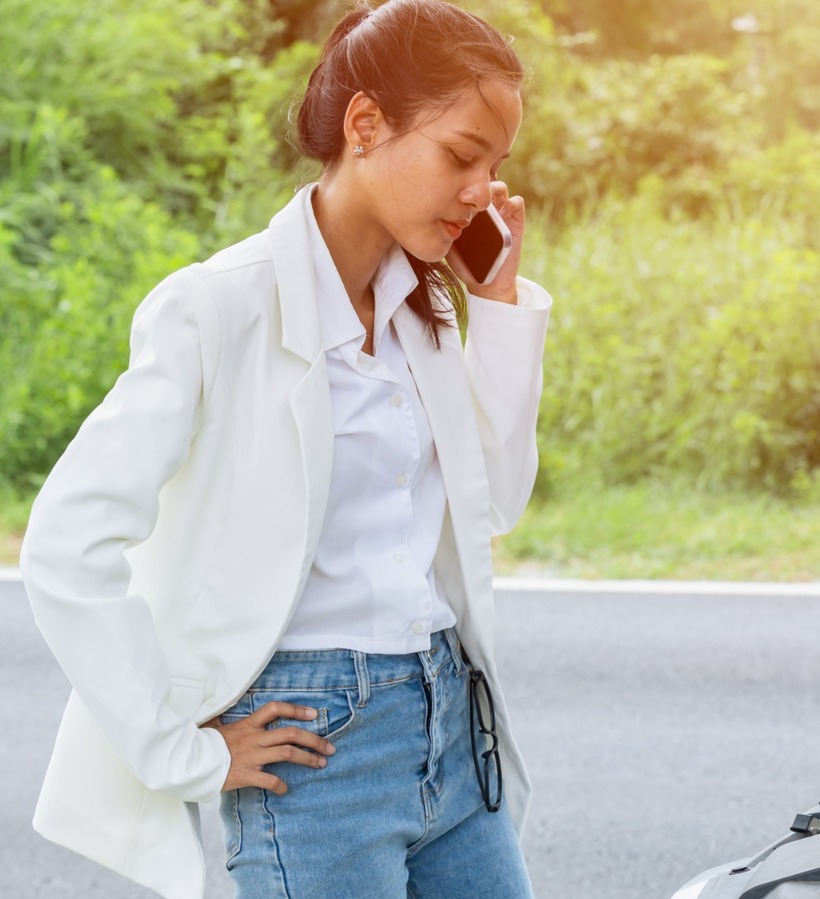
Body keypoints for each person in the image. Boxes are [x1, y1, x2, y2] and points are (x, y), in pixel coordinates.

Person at [20, 1, 547, 896]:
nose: (479, 191)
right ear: (366, 124)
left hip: (454, 729)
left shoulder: (423, 310)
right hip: (316, 748)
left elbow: (494, 501)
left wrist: (496, 309)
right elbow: (66, 545)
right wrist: (177, 749)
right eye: (462, 156)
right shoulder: (215, 307)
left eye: (494, 166)